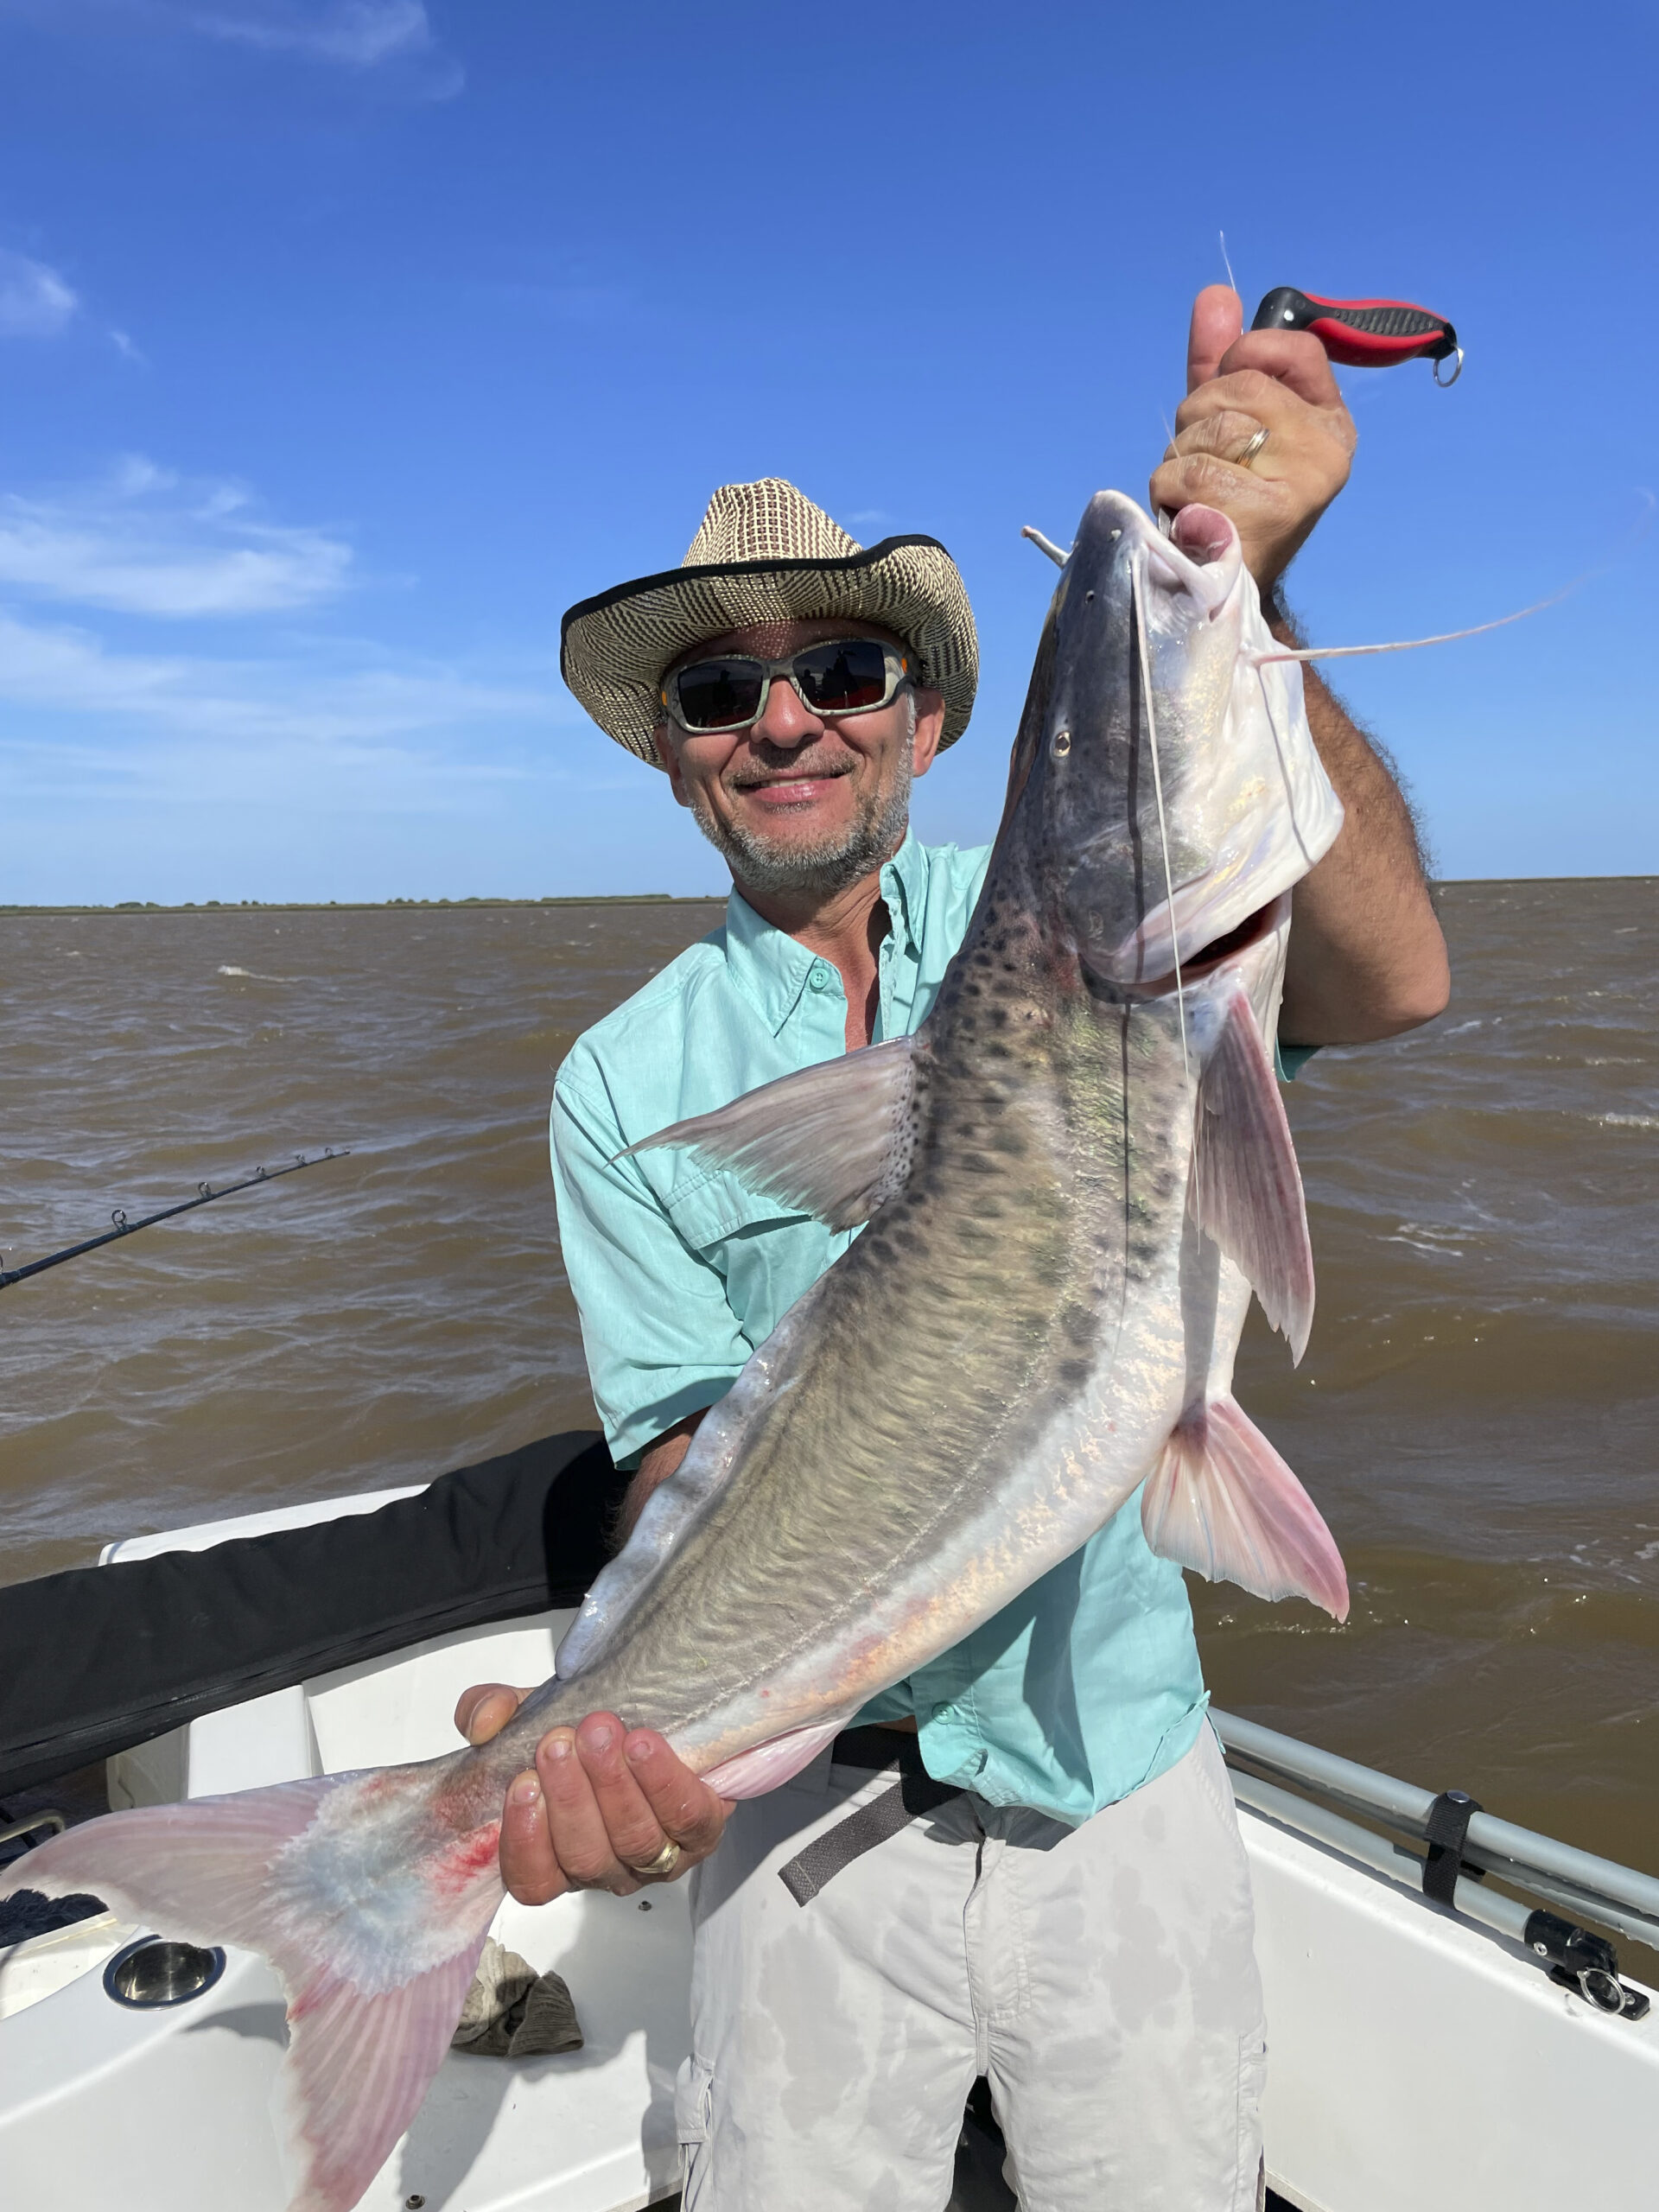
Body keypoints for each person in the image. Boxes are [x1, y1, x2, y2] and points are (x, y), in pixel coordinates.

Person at [455, 285, 1451, 2210]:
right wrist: (620, 1741)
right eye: (720, 692)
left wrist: (1255, 594)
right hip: (812, 1818)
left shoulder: (1125, 945)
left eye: (837, 664)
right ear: (673, 755)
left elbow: (1394, 970)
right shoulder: (616, 1082)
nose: (784, 720)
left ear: (921, 714)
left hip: (1123, 1773)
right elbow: (689, 1464)